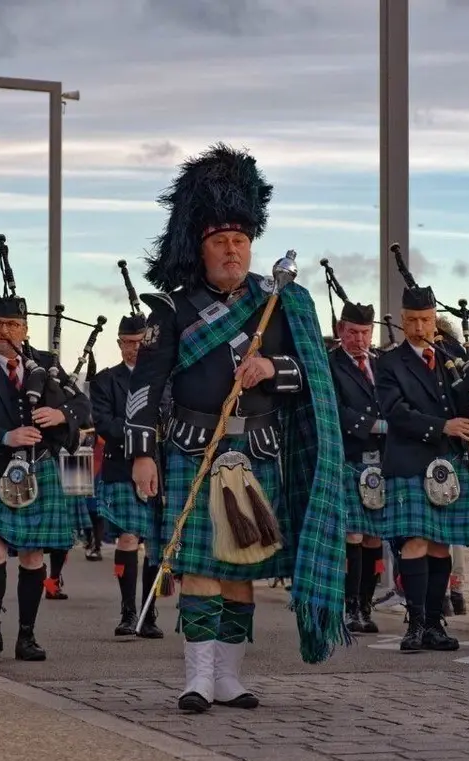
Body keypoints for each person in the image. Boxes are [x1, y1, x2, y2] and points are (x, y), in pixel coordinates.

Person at [126, 143, 350, 712]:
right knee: (200, 565)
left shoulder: (280, 304)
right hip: (191, 446)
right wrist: (142, 453)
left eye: (241, 241)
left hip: (258, 449)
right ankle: (197, 677)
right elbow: (146, 386)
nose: (233, 251)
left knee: (241, 569)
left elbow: (316, 380)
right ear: (199, 247)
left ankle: (229, 677)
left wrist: (271, 367)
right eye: (222, 241)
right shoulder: (172, 310)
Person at [0, 282, 93, 662]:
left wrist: (60, 414)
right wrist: (5, 436)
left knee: (33, 556)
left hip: (37, 469)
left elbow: (82, 404)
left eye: (12, 324)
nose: (4, 331)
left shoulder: (45, 363)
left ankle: (27, 637)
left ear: (25, 328)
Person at [374, 267, 469, 653]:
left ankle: (433, 624)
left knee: (442, 544)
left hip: (449, 463)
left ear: (434, 320)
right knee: (414, 542)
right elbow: (394, 412)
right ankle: (413, 624)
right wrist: (443, 425)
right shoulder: (389, 363)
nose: (418, 328)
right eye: (411, 321)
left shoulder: (453, 357)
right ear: (402, 319)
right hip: (411, 460)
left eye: (425, 320)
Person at [91, 313, 163, 638]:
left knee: (156, 544)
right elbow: (104, 423)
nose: (132, 349)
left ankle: (149, 613)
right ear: (119, 343)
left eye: (138, 342)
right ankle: (128, 611)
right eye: (127, 343)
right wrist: (142, 433)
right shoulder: (105, 380)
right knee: (128, 539)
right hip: (121, 468)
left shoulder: (164, 377)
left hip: (159, 467)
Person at [327, 298, 388, 635]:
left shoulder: (381, 365)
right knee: (352, 533)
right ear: (341, 331)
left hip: (382, 460)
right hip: (349, 457)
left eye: (365, 333)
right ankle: (349, 608)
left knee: (373, 536)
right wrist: (378, 426)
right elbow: (338, 411)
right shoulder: (330, 365)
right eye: (353, 332)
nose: (360, 340)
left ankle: (365, 606)